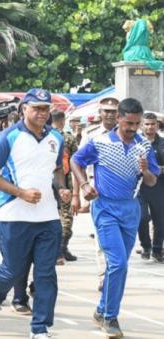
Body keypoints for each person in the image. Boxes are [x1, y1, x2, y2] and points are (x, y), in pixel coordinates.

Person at [0, 89, 71, 339]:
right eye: (37, 108)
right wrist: (20, 193)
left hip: (47, 216)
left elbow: (56, 170)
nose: (42, 113)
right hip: (14, 214)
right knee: (13, 268)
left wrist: (62, 189)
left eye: (46, 108)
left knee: (46, 274)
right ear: (24, 109)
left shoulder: (55, 137)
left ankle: (40, 329)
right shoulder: (8, 137)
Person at [71, 98, 159, 338]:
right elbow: (75, 161)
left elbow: (152, 180)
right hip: (105, 208)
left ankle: (102, 310)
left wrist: (145, 170)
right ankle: (110, 318)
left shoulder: (144, 146)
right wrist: (84, 184)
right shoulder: (99, 142)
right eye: (129, 123)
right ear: (118, 118)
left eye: (137, 124)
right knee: (117, 263)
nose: (133, 128)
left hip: (130, 209)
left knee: (119, 266)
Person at [74, 97, 119, 290]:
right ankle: (104, 275)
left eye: (113, 111)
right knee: (102, 234)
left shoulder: (127, 133)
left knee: (122, 238)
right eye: (106, 111)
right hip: (97, 189)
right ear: (100, 113)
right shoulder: (91, 134)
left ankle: (115, 270)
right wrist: (79, 192)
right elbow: (78, 163)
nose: (109, 114)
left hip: (123, 192)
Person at [51, 110, 79, 264]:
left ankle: (61, 249)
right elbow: (77, 163)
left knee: (62, 218)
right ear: (62, 121)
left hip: (59, 182)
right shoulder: (68, 138)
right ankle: (59, 249)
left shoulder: (45, 136)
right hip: (63, 183)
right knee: (65, 219)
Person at [138, 112, 164, 262]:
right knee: (142, 217)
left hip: (159, 186)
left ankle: (157, 248)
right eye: (146, 124)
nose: (149, 127)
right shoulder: (136, 143)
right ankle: (145, 246)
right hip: (140, 187)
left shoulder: (162, 143)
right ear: (142, 126)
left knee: (160, 219)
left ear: (157, 125)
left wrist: (159, 169)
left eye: (152, 124)